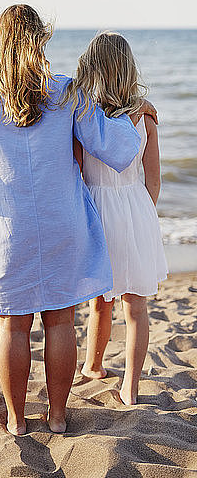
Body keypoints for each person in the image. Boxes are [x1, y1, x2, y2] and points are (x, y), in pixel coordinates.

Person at [0, 5, 146, 434]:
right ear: (41, 42)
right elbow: (116, 147)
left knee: (13, 327)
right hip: (64, 225)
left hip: (8, 233)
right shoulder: (67, 92)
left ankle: (17, 421)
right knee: (60, 321)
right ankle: (57, 417)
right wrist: (134, 110)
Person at [70, 31, 168, 405]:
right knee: (136, 305)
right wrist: (143, 212)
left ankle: (93, 365)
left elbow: (76, 171)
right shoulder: (145, 117)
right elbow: (153, 177)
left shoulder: (85, 117)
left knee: (100, 300)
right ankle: (129, 385)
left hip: (96, 209)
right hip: (135, 207)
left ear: (93, 68)